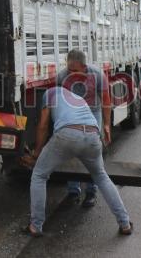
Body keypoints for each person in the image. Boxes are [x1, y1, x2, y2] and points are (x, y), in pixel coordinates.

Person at [24, 81, 132, 236]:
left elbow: (42, 126)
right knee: (101, 177)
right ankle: (125, 223)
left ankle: (35, 226)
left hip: (68, 133)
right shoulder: (77, 98)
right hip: (93, 136)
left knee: (39, 175)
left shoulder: (50, 93)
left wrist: (37, 153)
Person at [57, 49, 108, 207]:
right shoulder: (62, 76)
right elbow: (59, 100)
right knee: (70, 151)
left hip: (93, 113)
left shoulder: (97, 75)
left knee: (90, 152)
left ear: (84, 66)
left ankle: (91, 191)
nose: (71, 74)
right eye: (69, 69)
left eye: (75, 70)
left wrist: (106, 124)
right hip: (71, 114)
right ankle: (73, 191)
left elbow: (106, 99)